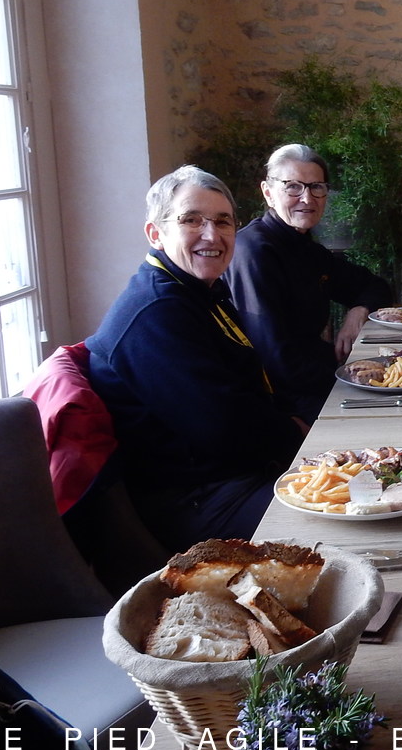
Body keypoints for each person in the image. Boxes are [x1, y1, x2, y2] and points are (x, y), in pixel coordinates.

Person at [87, 165, 307, 551]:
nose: (212, 235)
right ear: (156, 233)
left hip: (237, 475)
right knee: (352, 521)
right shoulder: (154, 312)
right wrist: (301, 439)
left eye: (223, 221)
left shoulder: (197, 290)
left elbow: (248, 388)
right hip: (198, 503)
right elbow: (222, 428)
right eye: (191, 220)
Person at [226, 143, 393, 420]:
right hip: (279, 399)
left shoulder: (309, 249)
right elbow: (276, 357)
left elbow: (376, 286)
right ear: (268, 192)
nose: (307, 198)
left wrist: (358, 310)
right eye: (293, 186)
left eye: (316, 187)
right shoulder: (253, 251)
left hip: (315, 377)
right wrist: (348, 378)